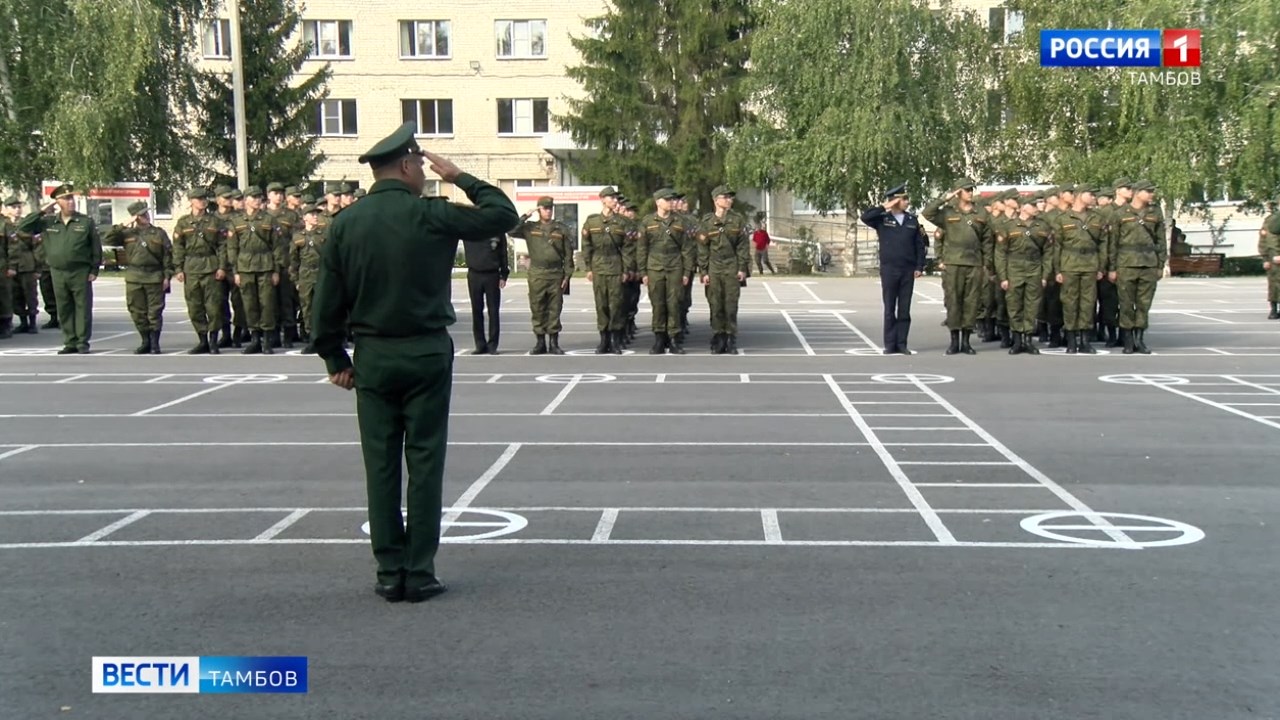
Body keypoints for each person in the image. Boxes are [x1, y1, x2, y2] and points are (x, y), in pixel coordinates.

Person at [310, 121, 518, 603]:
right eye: (422, 165)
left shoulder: (346, 222)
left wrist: (333, 356)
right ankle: (419, 571)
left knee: (379, 465)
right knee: (424, 462)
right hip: (425, 351)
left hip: (374, 354)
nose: (425, 173)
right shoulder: (432, 215)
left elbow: (326, 299)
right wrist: (461, 176)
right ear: (406, 165)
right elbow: (501, 216)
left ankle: (389, 571)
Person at [18, 184, 102, 354]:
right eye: (66, 199)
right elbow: (23, 226)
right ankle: (70, 341)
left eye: (72, 198)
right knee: (63, 307)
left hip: (80, 271)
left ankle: (82, 342)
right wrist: (43, 210)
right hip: (57, 271)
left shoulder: (85, 222)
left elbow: (95, 248)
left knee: (82, 307)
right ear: (58, 202)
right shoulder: (48, 222)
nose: (71, 202)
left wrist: (94, 270)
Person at [923, 177, 989, 355]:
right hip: (953, 263)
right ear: (958, 192)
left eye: (971, 189)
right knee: (953, 302)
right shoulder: (947, 212)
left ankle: (966, 342)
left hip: (974, 263)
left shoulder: (980, 213)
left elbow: (987, 240)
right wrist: (945, 198)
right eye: (966, 190)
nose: (970, 193)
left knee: (971, 302)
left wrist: (986, 263)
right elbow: (927, 213)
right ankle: (954, 341)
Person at [861, 184, 927, 355]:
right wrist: (884, 206)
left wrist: (919, 266)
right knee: (890, 308)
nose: (907, 202)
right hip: (890, 269)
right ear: (895, 200)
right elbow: (865, 217)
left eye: (906, 198)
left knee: (904, 309)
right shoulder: (883, 219)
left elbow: (919, 246)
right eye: (903, 198)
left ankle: (902, 343)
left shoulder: (912, 220)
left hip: (907, 270)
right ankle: (890, 344)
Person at [102, 201, 174, 354]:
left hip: (154, 276)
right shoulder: (127, 233)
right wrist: (124, 224)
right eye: (141, 215)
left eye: (146, 213)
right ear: (135, 217)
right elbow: (108, 239)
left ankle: (155, 343)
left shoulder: (159, 233)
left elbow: (168, 256)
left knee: (154, 312)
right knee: (136, 311)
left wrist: (167, 276)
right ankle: (145, 340)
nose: (145, 216)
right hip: (134, 277)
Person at [508, 196, 574, 354]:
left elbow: (568, 255)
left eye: (550, 208)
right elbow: (511, 230)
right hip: (537, 273)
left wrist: (567, 276)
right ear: (539, 210)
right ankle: (540, 343)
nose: (548, 211)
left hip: (555, 273)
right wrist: (525, 216)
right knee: (537, 307)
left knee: (555, 308)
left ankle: (554, 343)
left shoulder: (561, 229)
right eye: (545, 208)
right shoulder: (530, 228)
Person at [226, 186, 286, 355]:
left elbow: (277, 247)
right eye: (253, 197)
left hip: (265, 266)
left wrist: (276, 270)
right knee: (249, 304)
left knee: (267, 303)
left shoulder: (269, 220)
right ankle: (254, 339)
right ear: (246, 200)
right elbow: (232, 248)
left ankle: (267, 340)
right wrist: (235, 271)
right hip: (245, 267)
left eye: (259, 197)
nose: (257, 200)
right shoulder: (236, 221)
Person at [1108, 179, 1165, 354]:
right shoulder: (1120, 213)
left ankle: (1139, 339)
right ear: (1137, 192)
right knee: (1126, 304)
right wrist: (1112, 267)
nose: (1151, 194)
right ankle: (1127, 340)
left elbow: (1161, 240)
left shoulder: (1155, 212)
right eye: (1148, 191)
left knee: (1143, 304)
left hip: (1148, 263)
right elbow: (1113, 242)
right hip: (1126, 264)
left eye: (1152, 191)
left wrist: (1161, 264)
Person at [639, 188, 696, 354]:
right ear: (658, 202)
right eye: (667, 200)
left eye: (672, 200)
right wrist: (643, 272)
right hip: (654, 268)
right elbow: (642, 249)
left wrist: (686, 272)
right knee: (657, 304)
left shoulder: (680, 222)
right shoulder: (647, 222)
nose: (671, 202)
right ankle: (658, 339)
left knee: (674, 304)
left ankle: (673, 339)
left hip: (675, 267)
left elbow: (687, 249)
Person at [172, 187, 229, 354]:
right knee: (194, 306)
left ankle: (213, 340)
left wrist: (222, 266)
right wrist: (178, 268)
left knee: (214, 306)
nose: (202, 201)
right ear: (191, 201)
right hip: (191, 267)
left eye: (204, 198)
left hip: (210, 266)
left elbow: (222, 246)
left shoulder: (215, 222)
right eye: (198, 198)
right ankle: (202, 339)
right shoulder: (183, 223)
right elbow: (178, 247)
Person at [697, 185, 751, 354]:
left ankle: (730, 338)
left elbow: (743, 246)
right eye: (725, 197)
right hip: (714, 266)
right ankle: (718, 337)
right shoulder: (706, 222)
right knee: (715, 304)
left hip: (731, 265)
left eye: (730, 197)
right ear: (716, 200)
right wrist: (704, 272)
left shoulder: (737, 220)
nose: (729, 200)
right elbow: (702, 248)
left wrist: (742, 268)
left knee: (731, 304)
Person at [997, 192, 1052, 355]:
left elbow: (1048, 252)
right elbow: (1000, 253)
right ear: (1023, 207)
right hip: (1014, 267)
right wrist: (1003, 276)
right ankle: (1017, 340)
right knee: (1014, 305)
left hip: (1035, 267)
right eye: (1033, 205)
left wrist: (1044, 275)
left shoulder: (1042, 226)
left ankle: (1028, 339)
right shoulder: (1008, 226)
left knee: (1032, 305)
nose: (1036, 208)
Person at [580, 186, 630, 354]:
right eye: (611, 198)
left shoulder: (622, 222)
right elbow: (586, 245)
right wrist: (588, 267)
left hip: (616, 265)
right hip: (599, 266)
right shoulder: (592, 221)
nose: (615, 201)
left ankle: (615, 340)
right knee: (601, 304)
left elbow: (627, 248)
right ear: (602, 199)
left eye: (616, 198)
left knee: (616, 304)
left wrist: (626, 269)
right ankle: (604, 340)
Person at [462, 231, 509, 354]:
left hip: (492, 274)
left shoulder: (497, 231)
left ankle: (493, 345)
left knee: (493, 311)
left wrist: (504, 274)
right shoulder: (470, 229)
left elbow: (503, 253)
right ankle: (480, 344)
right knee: (476, 310)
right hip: (474, 274)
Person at [288, 204, 326, 353]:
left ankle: (325, 337)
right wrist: (296, 280)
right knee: (307, 308)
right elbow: (294, 260)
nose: (316, 216)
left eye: (317, 214)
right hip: (305, 276)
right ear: (305, 218)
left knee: (322, 308)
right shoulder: (298, 237)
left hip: (321, 274)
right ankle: (312, 338)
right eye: (312, 214)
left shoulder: (324, 235)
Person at [3, 196, 41, 334]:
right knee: (15, 296)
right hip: (9, 267)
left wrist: (38, 267)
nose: (17, 210)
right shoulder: (4, 224)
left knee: (30, 295)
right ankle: (22, 322)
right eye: (14, 207)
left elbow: (37, 247)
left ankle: (32, 323)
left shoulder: (27, 224)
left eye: (19, 207)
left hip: (27, 265)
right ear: (6, 209)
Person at [1260, 195, 1280, 320]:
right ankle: (1274, 310)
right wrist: (1266, 258)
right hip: (1275, 256)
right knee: (1275, 282)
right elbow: (1267, 238)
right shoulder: (1272, 219)